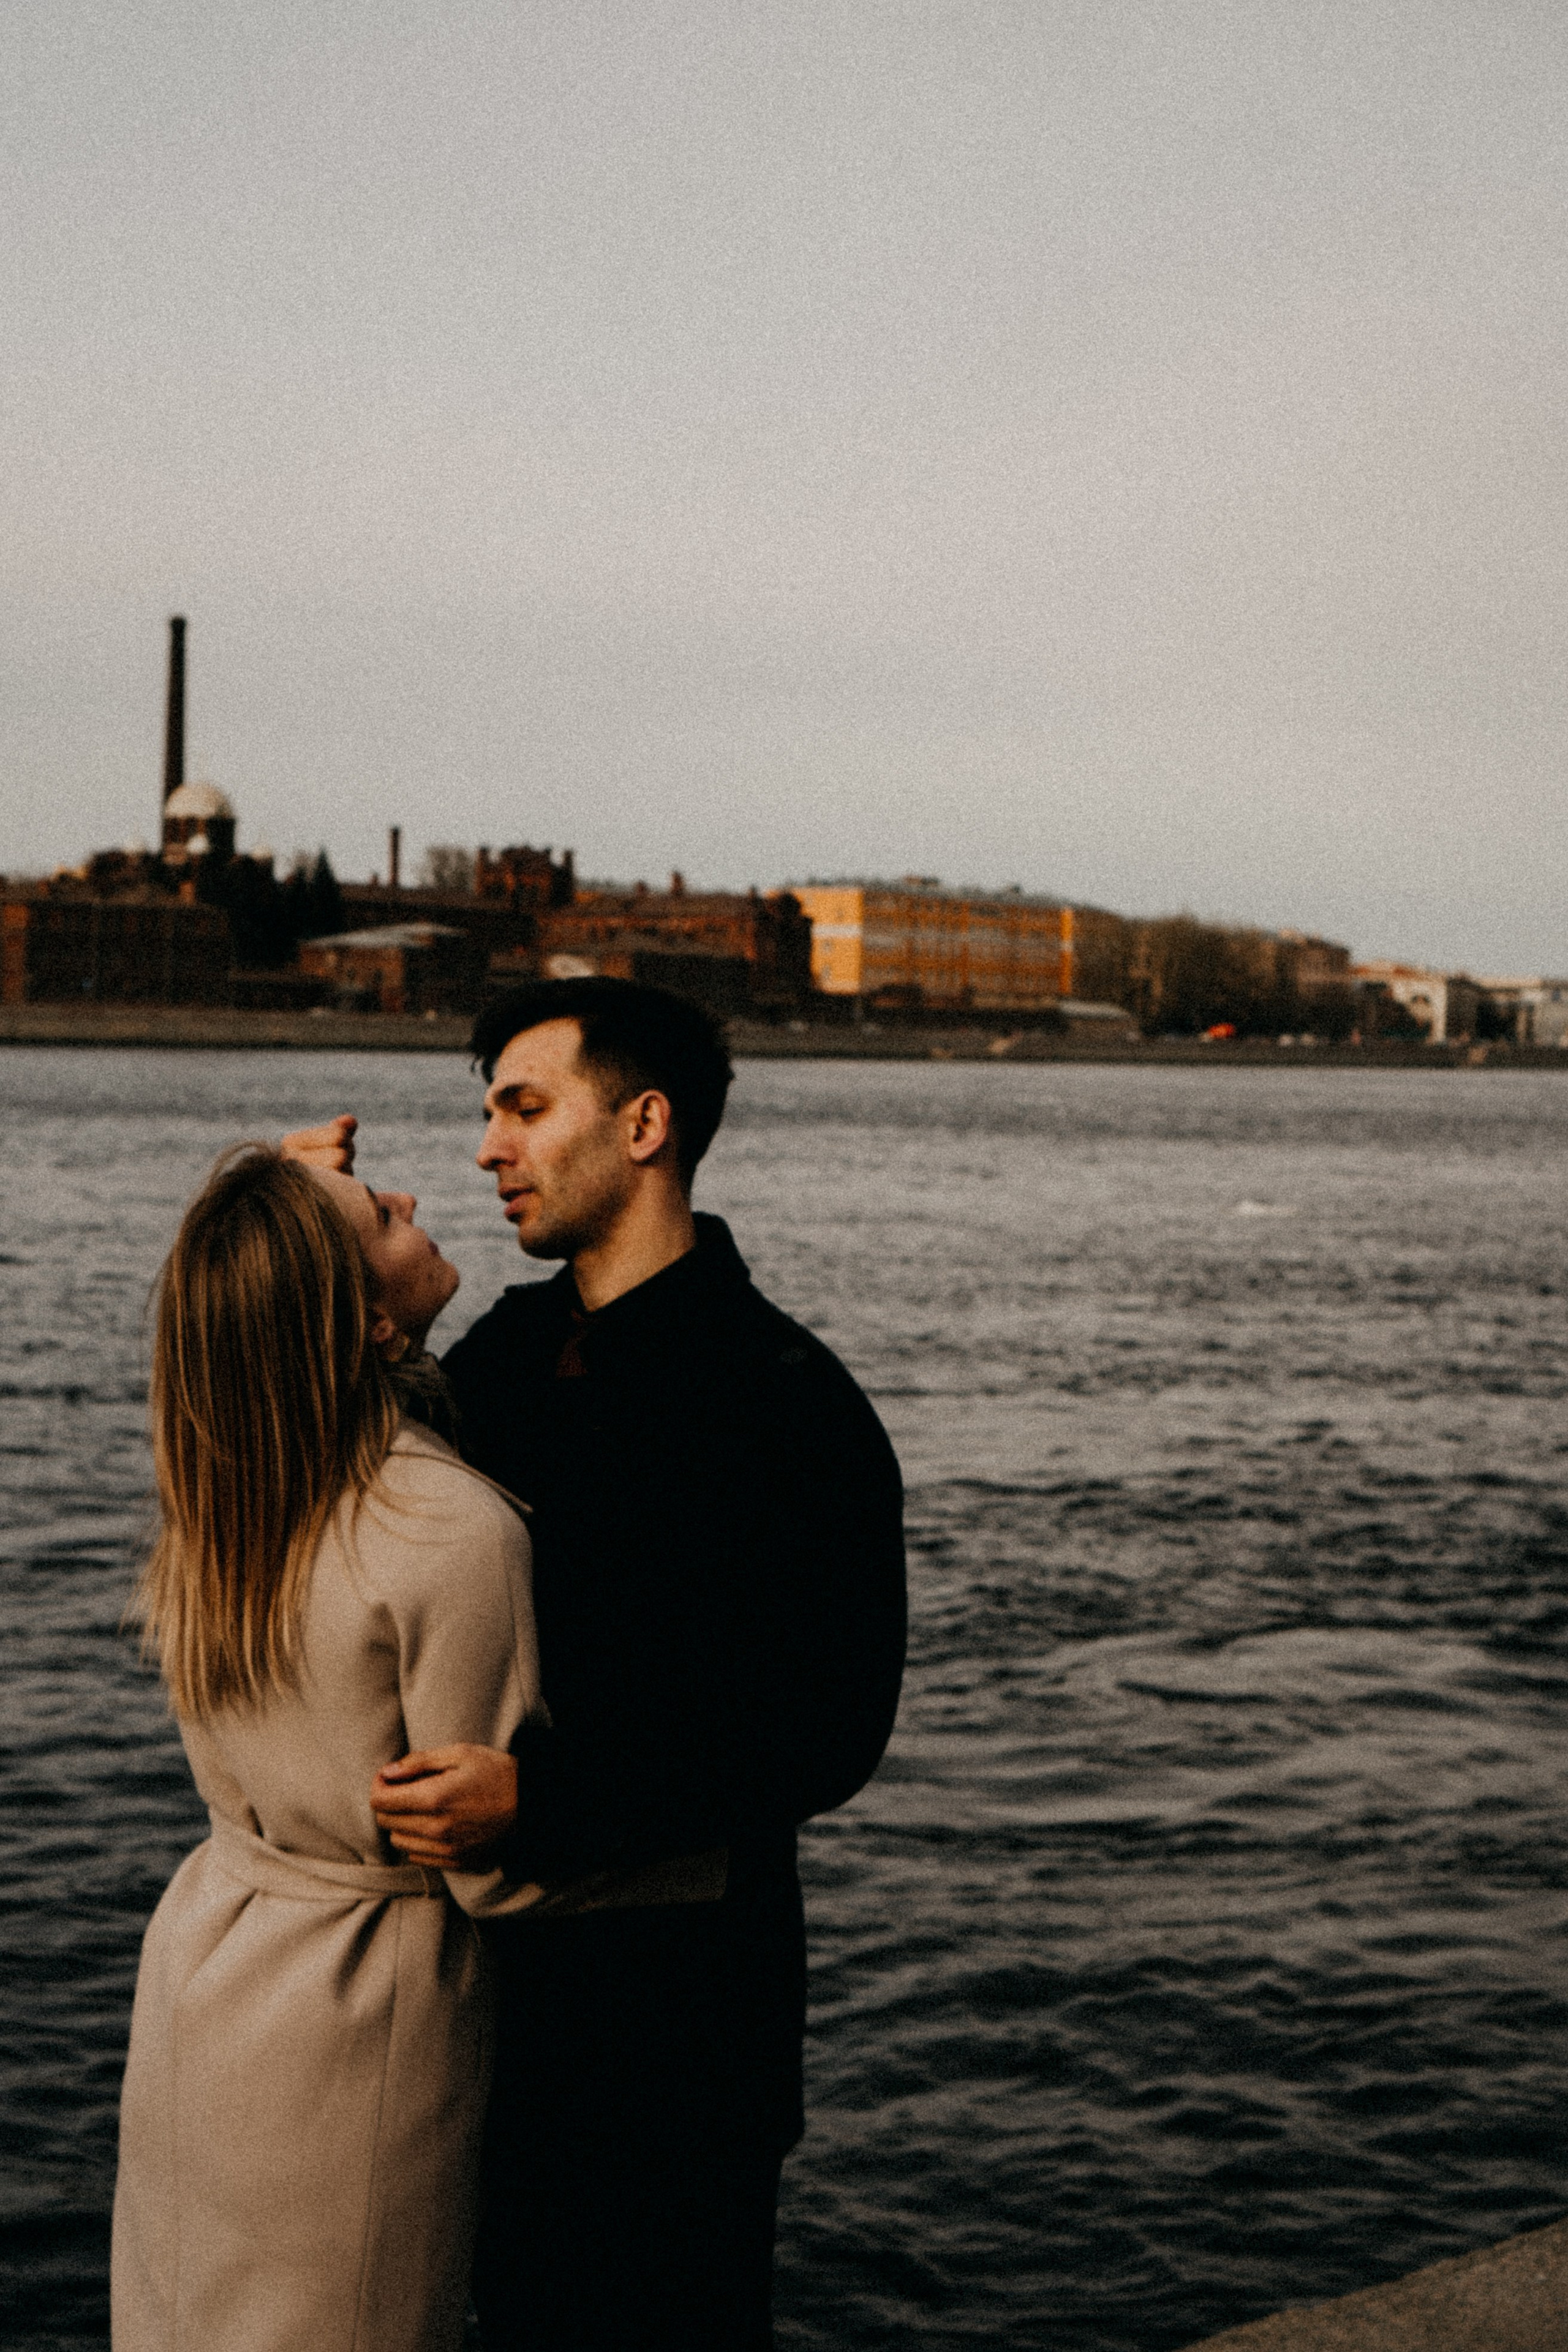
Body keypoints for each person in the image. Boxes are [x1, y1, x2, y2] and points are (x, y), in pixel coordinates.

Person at [285, 979, 908, 2351]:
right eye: (487, 1113)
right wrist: (301, 1241)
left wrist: (543, 1803)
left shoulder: (785, 1399)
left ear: (642, 1125)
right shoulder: (503, 1356)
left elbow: (828, 1726)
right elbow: (327, 1463)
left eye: (523, 1107)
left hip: (679, 2030)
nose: (486, 1149)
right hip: (480, 2008)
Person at [112, 1146, 546, 2352]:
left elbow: (238, 1294)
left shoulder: (226, 1492)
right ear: (361, 1323)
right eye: (381, 1216)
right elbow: (486, 1861)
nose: (413, 1198)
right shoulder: (452, 1535)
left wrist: (291, 1197)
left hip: (208, 1966)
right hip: (363, 2010)